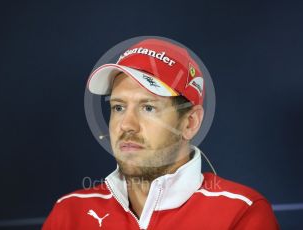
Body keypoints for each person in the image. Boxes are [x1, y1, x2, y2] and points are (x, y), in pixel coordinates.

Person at [42, 38, 279, 229]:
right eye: (119, 107)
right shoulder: (70, 213)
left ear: (190, 122)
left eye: (148, 107)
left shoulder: (241, 213)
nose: (126, 125)